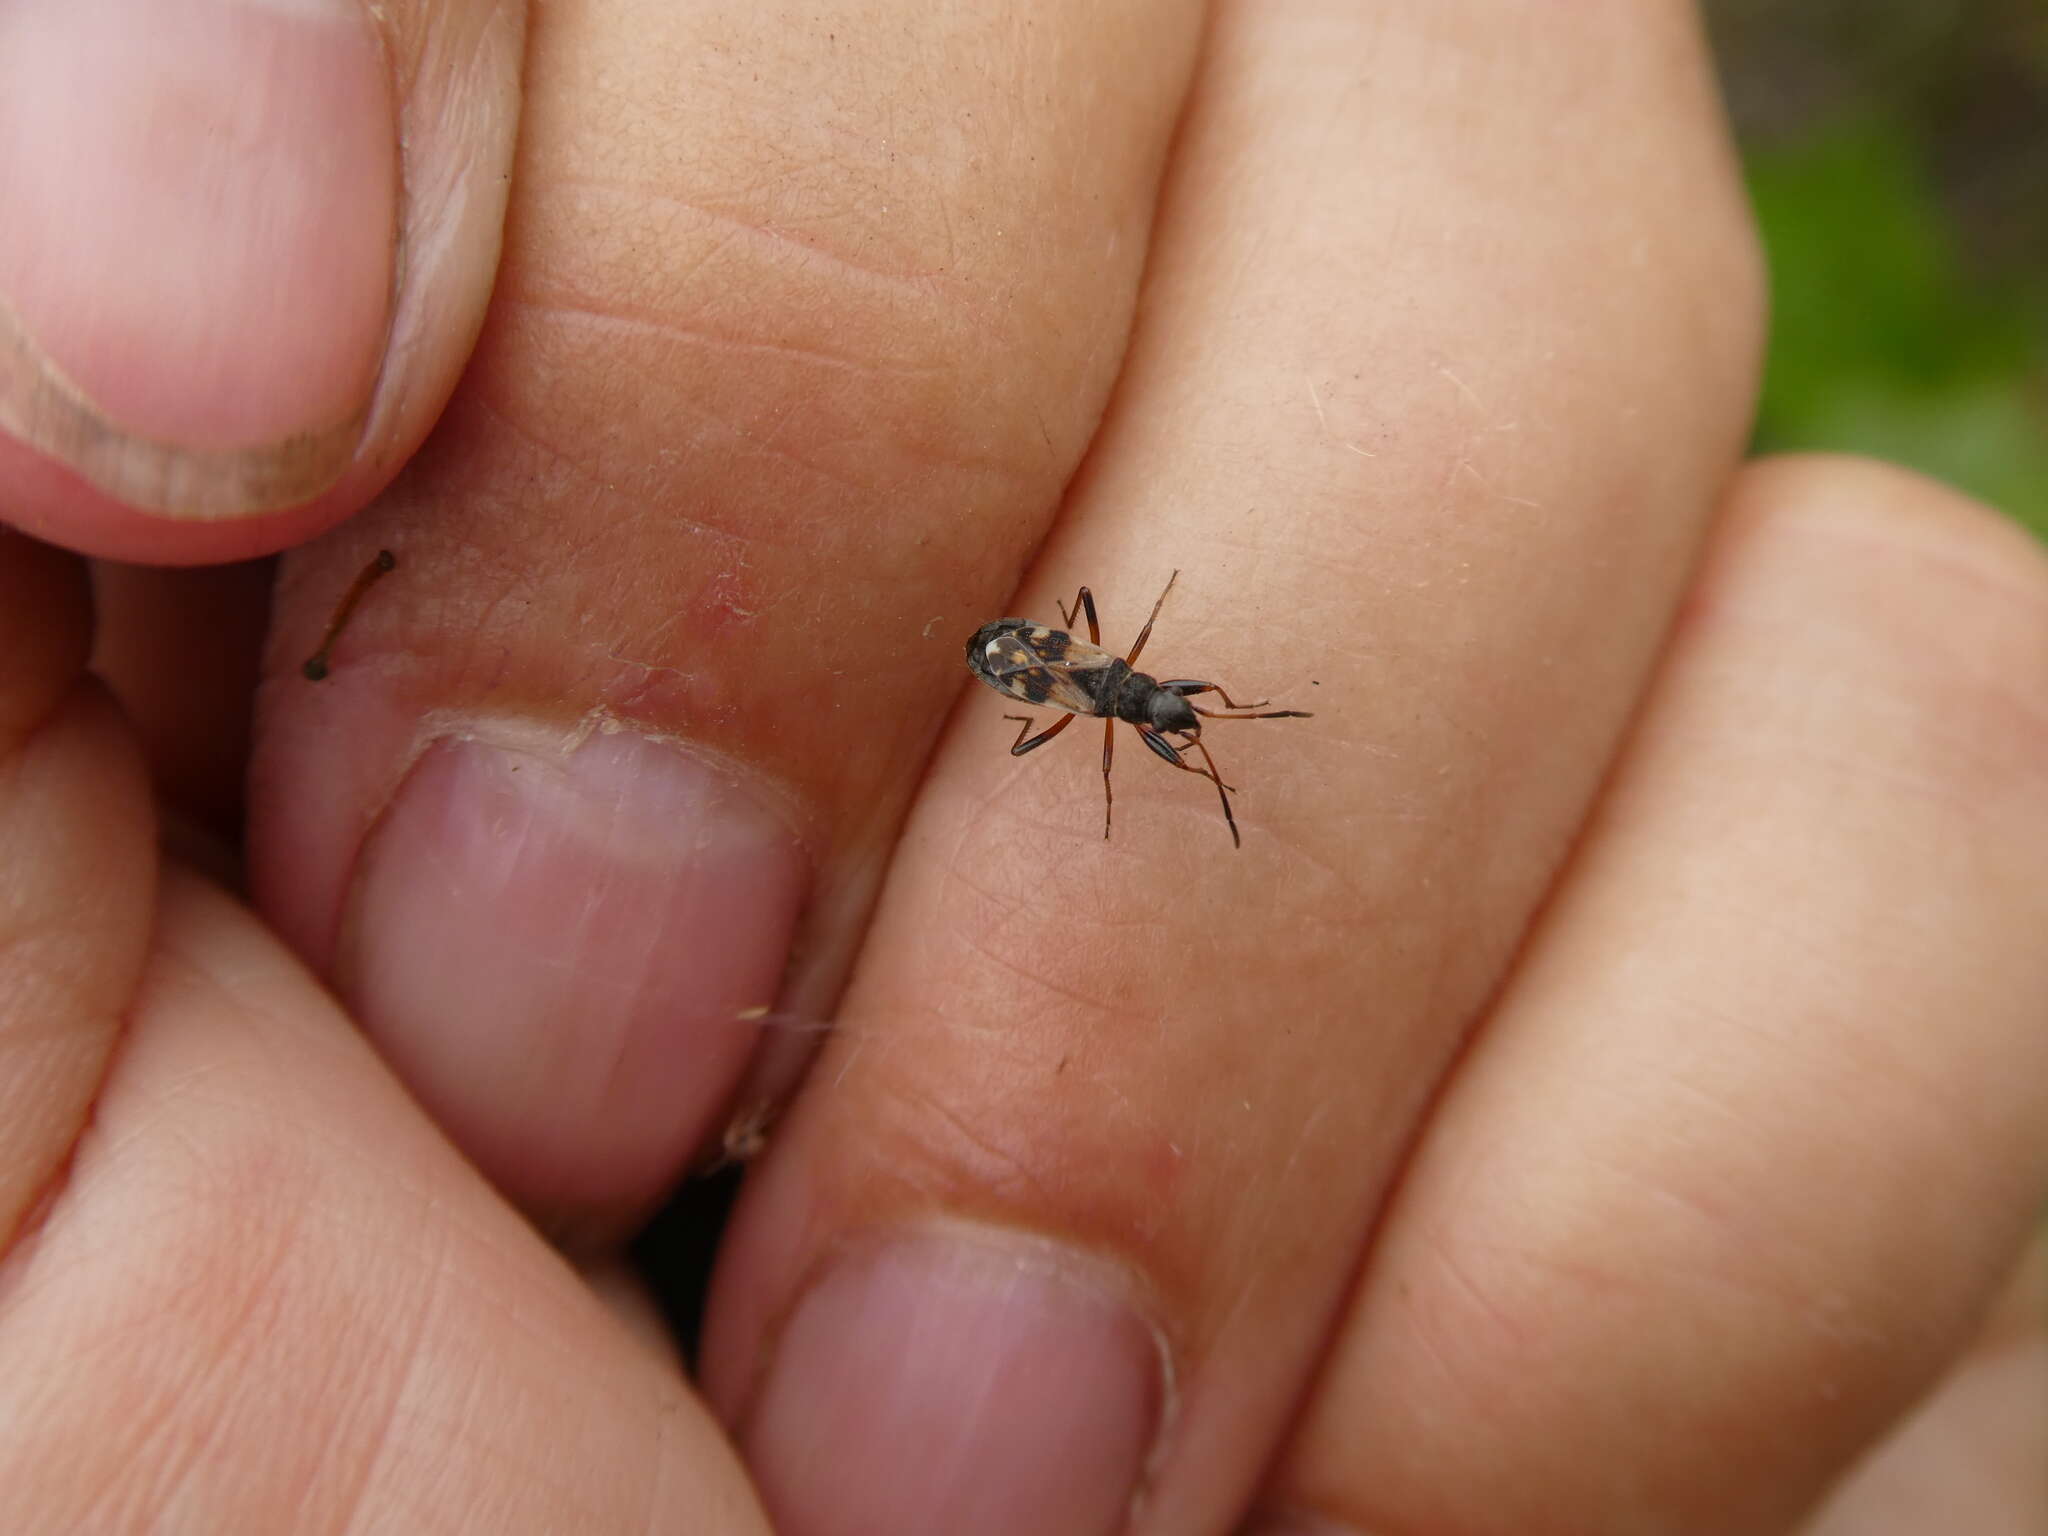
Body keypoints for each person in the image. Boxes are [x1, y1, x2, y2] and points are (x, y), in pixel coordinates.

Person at [2, 2, 2042, 1532]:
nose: (1158, 719)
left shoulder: (1118, 700)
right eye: (1152, 713)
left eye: (1150, 714)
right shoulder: (1074, 684)